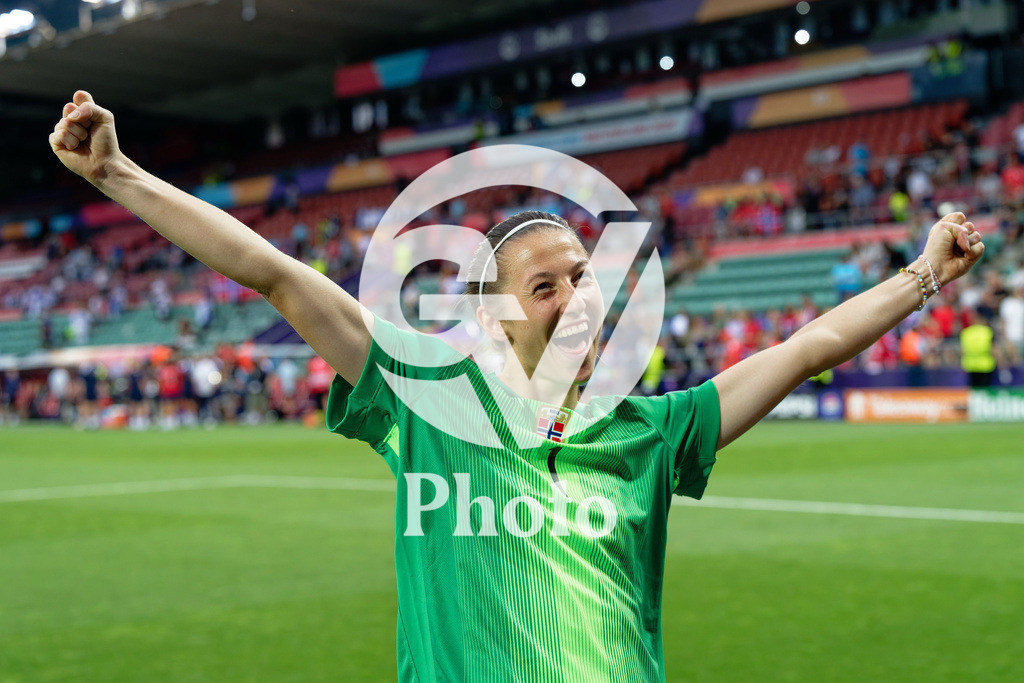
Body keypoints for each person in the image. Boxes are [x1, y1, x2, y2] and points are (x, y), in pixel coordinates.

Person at [49, 91, 985, 682]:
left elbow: (811, 345)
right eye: (546, 285)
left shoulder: (653, 433)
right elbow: (276, 275)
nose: (577, 297)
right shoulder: (426, 405)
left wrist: (926, 271)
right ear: (494, 314)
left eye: (583, 274)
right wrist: (120, 174)